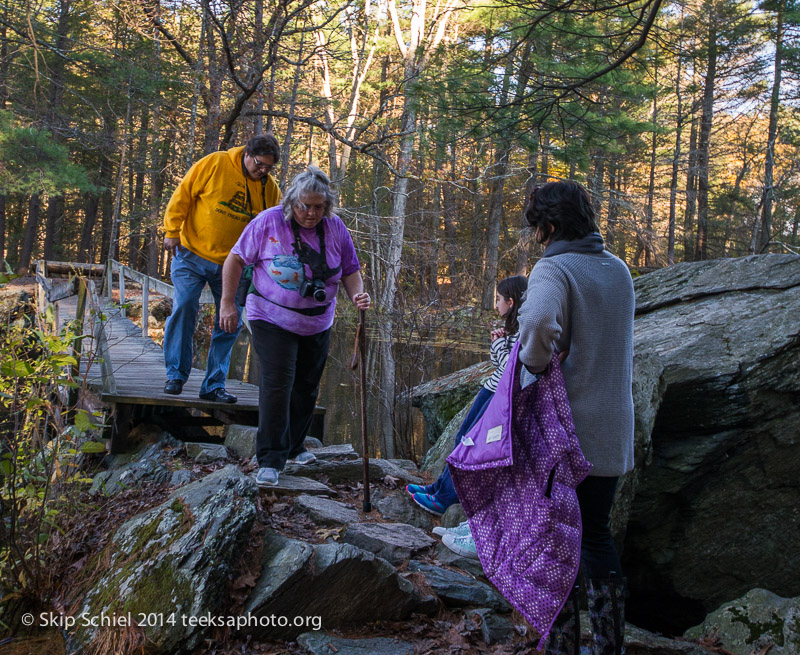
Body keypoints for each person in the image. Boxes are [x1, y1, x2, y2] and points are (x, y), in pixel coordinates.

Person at [516, 180, 634, 655]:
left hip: (567, 430)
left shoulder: (553, 270)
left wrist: (535, 363)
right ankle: (608, 646)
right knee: (597, 534)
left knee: (556, 539)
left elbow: (540, 323)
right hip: (613, 428)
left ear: (549, 225)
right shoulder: (619, 269)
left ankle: (561, 645)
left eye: (538, 227)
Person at [219, 165, 370, 487]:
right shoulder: (268, 221)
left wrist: (357, 296)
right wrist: (227, 303)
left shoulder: (336, 227)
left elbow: (350, 270)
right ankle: (270, 459)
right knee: (277, 384)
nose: (310, 213)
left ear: (327, 205)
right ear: (292, 202)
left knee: (307, 386)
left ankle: (295, 446)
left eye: (318, 206)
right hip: (270, 316)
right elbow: (235, 259)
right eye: (304, 205)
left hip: (317, 321)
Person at [162, 134, 282, 403]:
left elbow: (271, 228)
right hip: (191, 254)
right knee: (184, 308)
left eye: (269, 168)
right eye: (260, 164)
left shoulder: (270, 189)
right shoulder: (215, 163)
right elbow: (183, 195)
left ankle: (214, 385)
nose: (263, 171)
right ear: (248, 154)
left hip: (234, 266)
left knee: (230, 320)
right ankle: (175, 375)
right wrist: (172, 231)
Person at [406, 275, 528, 531]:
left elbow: (509, 369)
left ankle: (444, 499)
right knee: (462, 437)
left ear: (511, 301)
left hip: (499, 398)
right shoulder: (513, 329)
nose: (496, 304)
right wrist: (501, 341)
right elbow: (501, 365)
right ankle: (438, 487)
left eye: (498, 299)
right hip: (490, 391)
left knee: (469, 445)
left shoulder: (525, 331)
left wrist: (497, 345)